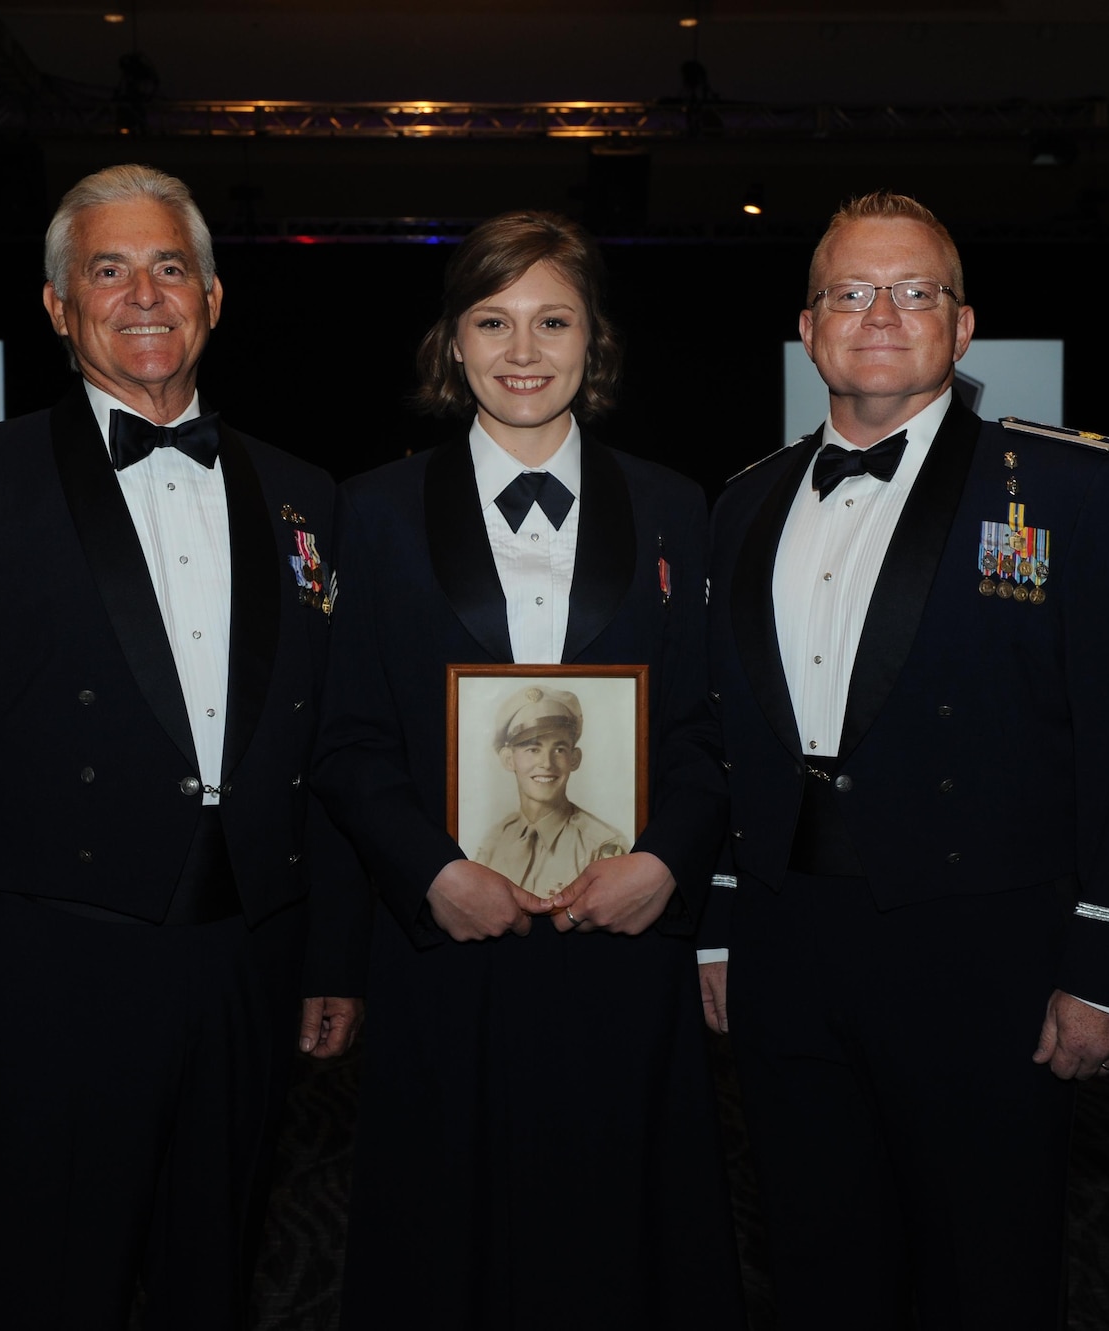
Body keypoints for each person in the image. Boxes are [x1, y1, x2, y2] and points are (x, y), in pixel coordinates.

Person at [0, 163, 366, 1330]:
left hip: (245, 960)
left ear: (214, 298)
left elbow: (323, 741)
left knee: (216, 1272)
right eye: (108, 269)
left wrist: (333, 949)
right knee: (50, 1285)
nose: (144, 295)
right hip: (50, 965)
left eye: (169, 267)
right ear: (57, 305)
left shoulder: (302, 493)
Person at [699, 191, 1109, 1329]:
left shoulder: (1071, 486)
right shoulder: (741, 503)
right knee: (817, 1252)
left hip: (986, 950)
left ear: (961, 327)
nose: (879, 313)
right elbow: (724, 732)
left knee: (985, 1265)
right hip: (786, 943)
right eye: (850, 292)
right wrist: (720, 923)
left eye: (913, 290)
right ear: (807, 325)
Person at [311, 210, 742, 1330]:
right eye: (491, 320)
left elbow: (700, 728)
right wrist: (430, 872)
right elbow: (348, 735)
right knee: (446, 1237)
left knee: (621, 1239)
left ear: (591, 343)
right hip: (448, 935)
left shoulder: (671, 505)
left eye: (553, 320)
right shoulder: (372, 509)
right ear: (451, 341)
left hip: (620, 933)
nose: (522, 348)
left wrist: (662, 863)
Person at [470, 685, 629, 897]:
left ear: (574, 759)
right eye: (533, 749)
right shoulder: (495, 840)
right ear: (509, 759)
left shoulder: (601, 845)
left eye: (559, 749)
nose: (546, 763)